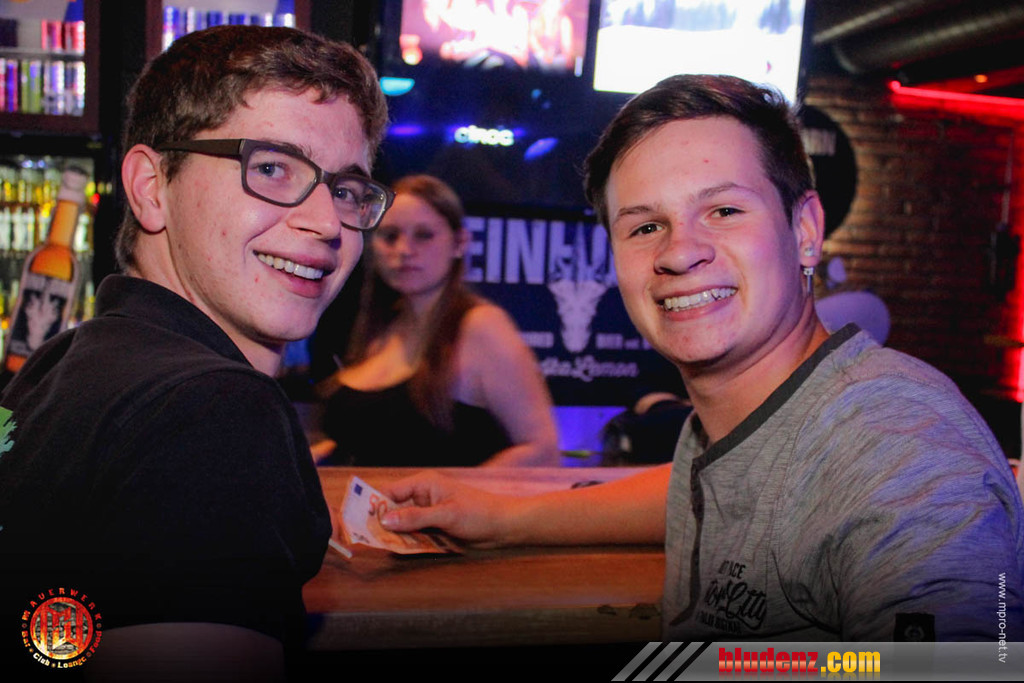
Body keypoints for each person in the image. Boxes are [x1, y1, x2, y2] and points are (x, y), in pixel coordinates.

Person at [376, 74, 1024, 641]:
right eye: (645, 226)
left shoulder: (895, 444)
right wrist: (497, 517)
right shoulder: (738, 429)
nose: (680, 251)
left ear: (805, 231)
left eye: (723, 209)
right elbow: (713, 487)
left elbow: (962, 666)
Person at [0, 24, 388, 680]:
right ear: (151, 187)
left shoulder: (60, 362)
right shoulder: (216, 414)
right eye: (272, 168)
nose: (327, 223)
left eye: (347, 190)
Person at [314, 174, 559, 467]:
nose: (404, 250)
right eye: (390, 236)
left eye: (424, 235)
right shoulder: (380, 326)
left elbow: (542, 451)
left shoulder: (480, 326)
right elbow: (381, 437)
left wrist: (451, 493)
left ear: (459, 242)